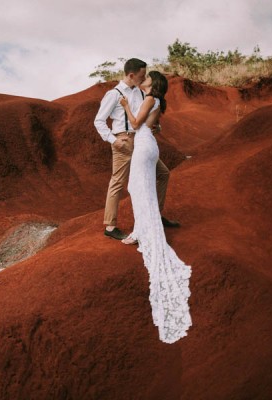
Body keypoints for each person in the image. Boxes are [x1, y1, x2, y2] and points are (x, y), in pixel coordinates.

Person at [119, 71, 192, 343]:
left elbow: (137, 123)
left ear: (153, 83)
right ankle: (141, 229)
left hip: (143, 145)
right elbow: (152, 125)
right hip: (150, 145)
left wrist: (126, 106)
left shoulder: (150, 98)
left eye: (148, 77)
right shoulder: (157, 100)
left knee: (138, 190)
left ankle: (141, 233)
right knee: (140, 189)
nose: (145, 78)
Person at [94, 58, 179, 241]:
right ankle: (110, 226)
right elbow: (99, 121)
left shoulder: (142, 93)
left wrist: (155, 127)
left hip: (141, 141)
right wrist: (112, 140)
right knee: (118, 182)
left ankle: (154, 215)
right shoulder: (114, 94)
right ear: (131, 75)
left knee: (163, 174)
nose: (143, 79)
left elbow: (145, 116)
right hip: (123, 142)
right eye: (141, 76)